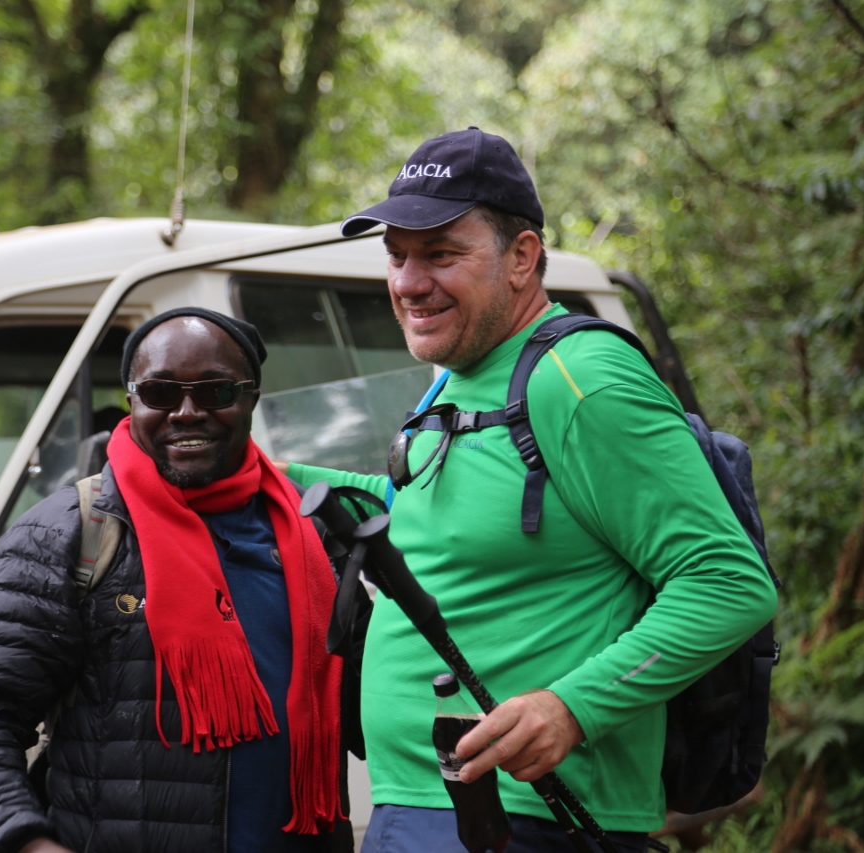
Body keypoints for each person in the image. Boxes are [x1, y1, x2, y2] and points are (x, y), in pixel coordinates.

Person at [281, 128, 779, 852]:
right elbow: (415, 515)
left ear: (521, 257)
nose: (409, 283)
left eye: (440, 254)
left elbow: (729, 582)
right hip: (421, 800)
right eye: (397, 256)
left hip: (533, 817)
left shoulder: (581, 379)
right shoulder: (462, 373)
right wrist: (264, 474)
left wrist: (572, 707)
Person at [0, 308, 361, 853]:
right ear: (132, 400)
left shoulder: (315, 529)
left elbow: (376, 704)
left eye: (216, 391)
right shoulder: (68, 532)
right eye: (159, 392)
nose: (186, 412)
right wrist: (22, 842)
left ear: (251, 397)